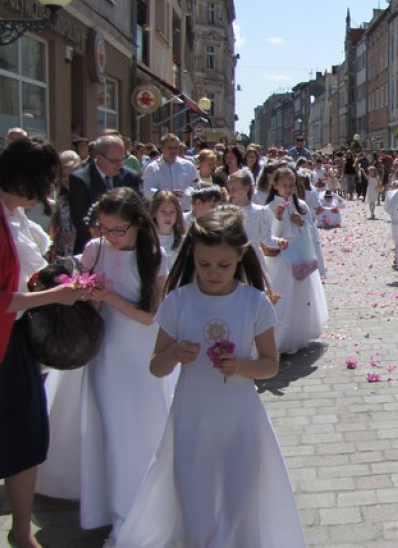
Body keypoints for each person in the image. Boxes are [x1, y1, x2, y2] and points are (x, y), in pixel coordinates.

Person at [115, 207, 306, 547]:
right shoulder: (178, 302)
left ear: (240, 256)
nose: (213, 273)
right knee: (194, 503)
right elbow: (156, 366)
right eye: (204, 265)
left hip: (239, 419)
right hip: (192, 419)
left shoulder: (255, 303)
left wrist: (242, 366)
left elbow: (270, 364)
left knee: (239, 503)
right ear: (192, 257)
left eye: (223, 265)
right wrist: (173, 355)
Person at [0, 138, 82, 548]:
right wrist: (57, 295)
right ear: (25, 182)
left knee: (26, 440)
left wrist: (65, 283)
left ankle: (21, 533)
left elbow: (27, 275)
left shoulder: (6, 213)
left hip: (11, 345)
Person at [41, 188, 172, 542]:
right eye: (103, 228)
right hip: (104, 354)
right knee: (111, 433)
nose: (110, 237)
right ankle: (115, 508)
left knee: (141, 432)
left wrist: (107, 296)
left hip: (141, 356)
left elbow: (150, 317)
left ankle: (144, 506)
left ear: (138, 224)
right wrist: (82, 293)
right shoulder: (93, 249)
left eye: (118, 230)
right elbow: (89, 306)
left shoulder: (155, 256)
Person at [265, 168, 327, 353]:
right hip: (282, 259)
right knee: (284, 296)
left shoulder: (301, 205)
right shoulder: (269, 207)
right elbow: (269, 235)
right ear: (275, 185)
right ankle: (280, 339)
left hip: (301, 256)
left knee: (301, 297)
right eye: (284, 185)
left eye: (291, 185)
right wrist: (277, 218)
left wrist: (301, 223)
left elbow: (312, 230)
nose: (288, 188)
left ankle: (298, 336)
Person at [68, 134, 142, 253]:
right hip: (93, 247)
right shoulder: (80, 180)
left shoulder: (130, 177)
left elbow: (139, 211)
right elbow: (80, 219)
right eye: (114, 161)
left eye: (122, 159)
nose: (120, 165)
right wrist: (108, 237)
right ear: (99, 159)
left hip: (125, 247)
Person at [143, 133, 199, 212]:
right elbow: (147, 191)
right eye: (170, 148)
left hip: (184, 211)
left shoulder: (188, 166)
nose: (173, 151)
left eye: (176, 148)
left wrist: (187, 193)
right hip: (161, 213)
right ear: (162, 148)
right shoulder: (152, 168)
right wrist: (168, 195)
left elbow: (196, 186)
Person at [150, 190, 186, 272]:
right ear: (155, 212)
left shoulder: (183, 240)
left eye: (172, 212)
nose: (168, 216)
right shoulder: (147, 238)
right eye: (163, 211)